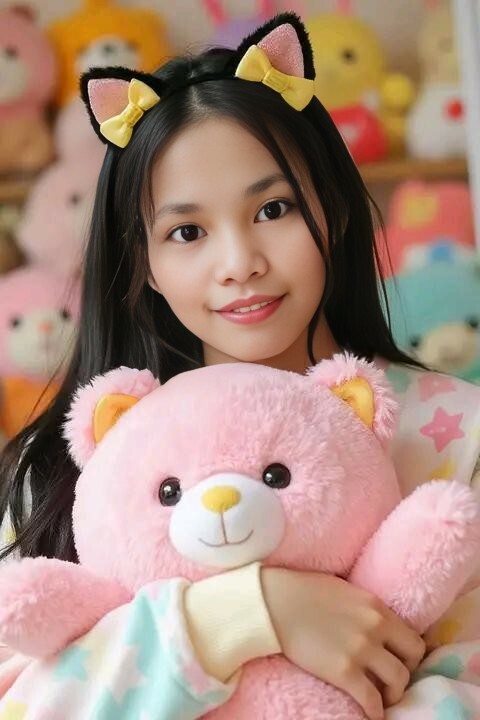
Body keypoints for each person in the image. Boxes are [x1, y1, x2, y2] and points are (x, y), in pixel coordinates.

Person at [0, 11, 478, 720]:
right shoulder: (68, 468)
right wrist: (246, 614)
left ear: (336, 210)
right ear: (144, 261)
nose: (239, 263)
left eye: (274, 209)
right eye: (187, 231)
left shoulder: (459, 436)